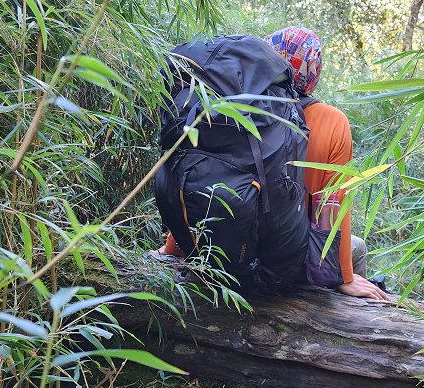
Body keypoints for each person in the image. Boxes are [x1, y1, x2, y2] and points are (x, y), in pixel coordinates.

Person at [156, 26, 387, 301]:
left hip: (217, 245)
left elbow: (200, 177)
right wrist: (344, 277)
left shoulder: (233, 106)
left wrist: (174, 246)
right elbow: (333, 206)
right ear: (314, 71)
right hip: (284, 257)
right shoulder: (332, 121)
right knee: (358, 247)